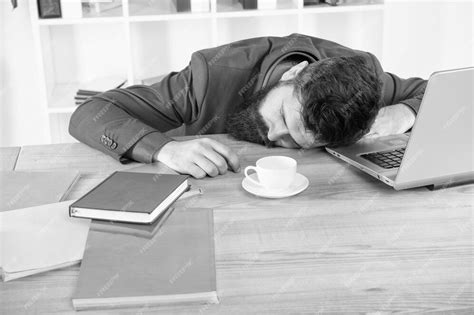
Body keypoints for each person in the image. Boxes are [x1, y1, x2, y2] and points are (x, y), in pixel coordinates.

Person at [69, 33, 426, 179]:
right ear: (295, 74)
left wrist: (403, 112)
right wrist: (164, 149)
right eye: (283, 115)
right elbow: (90, 112)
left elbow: (436, 91)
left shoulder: (365, 78)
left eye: (295, 142)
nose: (273, 134)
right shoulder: (210, 74)